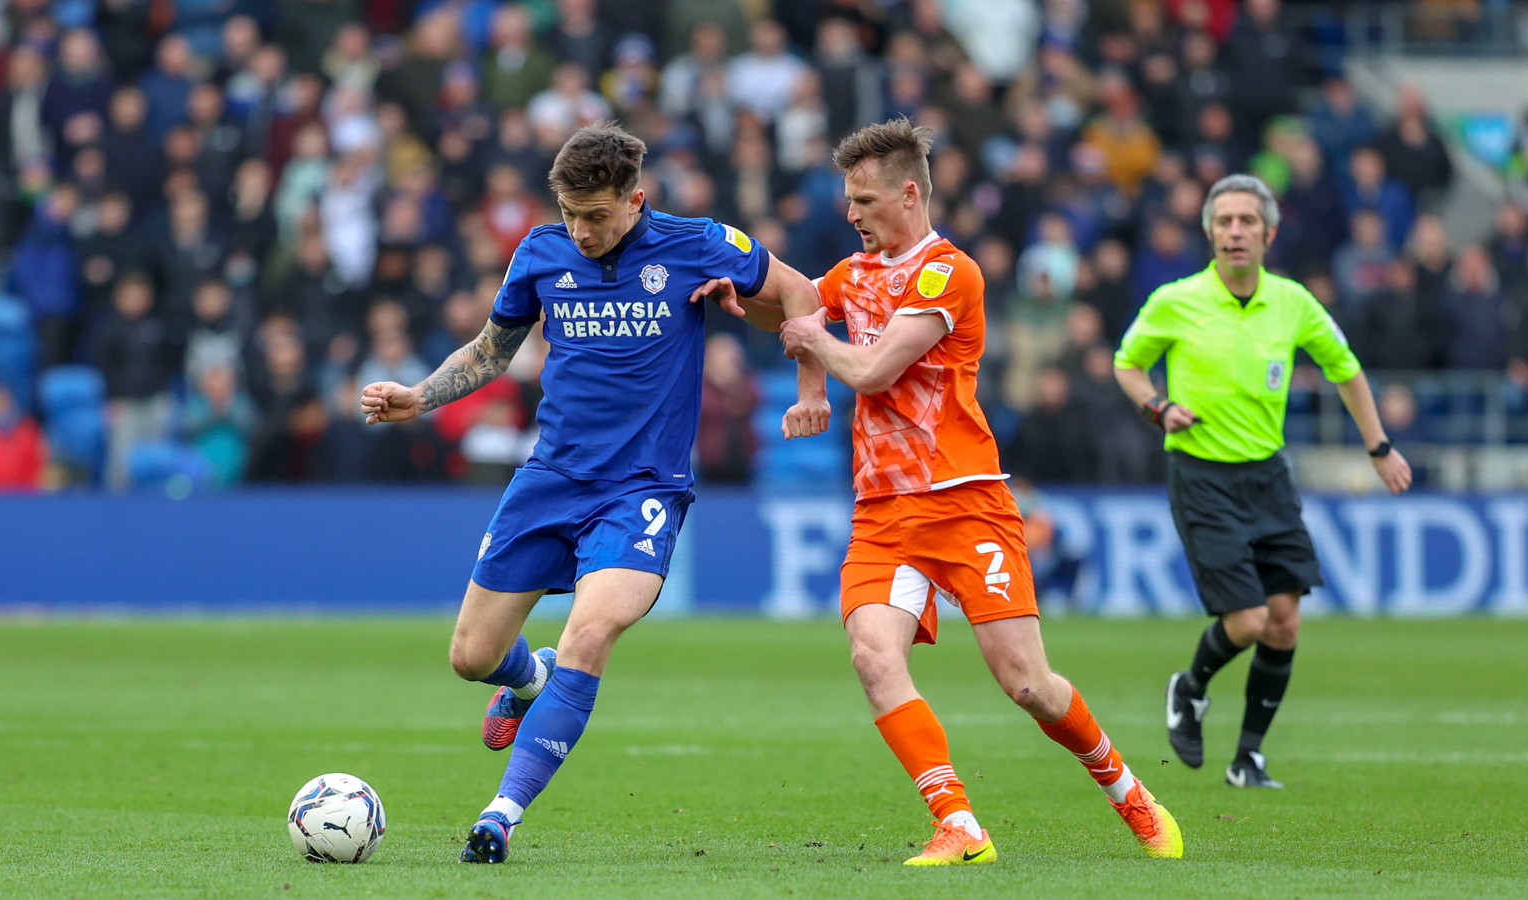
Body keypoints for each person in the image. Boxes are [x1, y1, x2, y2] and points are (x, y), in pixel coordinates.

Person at [720, 118, 1183, 864]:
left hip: (964, 501)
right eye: (847, 199)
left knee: (1028, 684)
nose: (851, 213)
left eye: (864, 199)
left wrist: (814, 344)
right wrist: (736, 294)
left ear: (909, 194)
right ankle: (959, 824)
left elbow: (872, 371)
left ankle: (1126, 788)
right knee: (873, 655)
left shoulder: (950, 273)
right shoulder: (856, 273)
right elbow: (796, 303)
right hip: (881, 509)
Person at [359, 123, 823, 864]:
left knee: (592, 630)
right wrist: (418, 396)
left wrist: (810, 385)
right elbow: (491, 350)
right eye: (570, 214)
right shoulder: (540, 253)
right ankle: (528, 676)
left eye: (597, 216)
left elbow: (797, 292)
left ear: (635, 201)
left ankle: (500, 814)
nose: (580, 231)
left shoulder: (697, 243)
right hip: (550, 478)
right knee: (472, 656)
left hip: (642, 488)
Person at [1112, 175, 1413, 790]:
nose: (1236, 231)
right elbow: (1128, 362)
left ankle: (1248, 757)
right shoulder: (1177, 300)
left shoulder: (1294, 303)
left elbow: (1346, 372)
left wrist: (1379, 447)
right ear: (1209, 233)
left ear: (1269, 233)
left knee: (1284, 621)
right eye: (1224, 221)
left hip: (1269, 477)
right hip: (1201, 474)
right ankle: (1189, 688)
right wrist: (1158, 408)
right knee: (1247, 620)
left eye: (1248, 221)